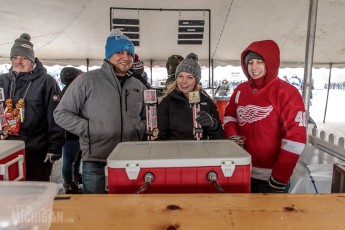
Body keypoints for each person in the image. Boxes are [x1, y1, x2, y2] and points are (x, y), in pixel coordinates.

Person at [54, 29, 147, 194]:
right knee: (96, 211)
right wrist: (89, 129)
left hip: (130, 160)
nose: (125, 57)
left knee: (129, 208)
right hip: (96, 160)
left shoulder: (138, 86)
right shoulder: (86, 81)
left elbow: (148, 117)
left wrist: (139, 128)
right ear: (108, 55)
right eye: (119, 52)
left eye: (129, 53)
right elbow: (61, 113)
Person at [223, 40, 307, 193]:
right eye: (250, 62)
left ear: (271, 63)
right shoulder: (240, 90)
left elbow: (295, 139)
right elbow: (229, 116)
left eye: (260, 62)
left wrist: (279, 178)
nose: (254, 68)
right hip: (241, 169)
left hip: (270, 177)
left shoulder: (287, 93)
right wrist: (232, 135)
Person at [0, 33, 64, 181]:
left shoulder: (46, 82)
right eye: (15, 57)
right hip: (5, 149)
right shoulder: (2, 81)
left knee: (35, 193)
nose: (19, 62)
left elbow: (55, 116)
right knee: (7, 195)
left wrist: (55, 146)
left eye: (24, 58)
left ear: (32, 60)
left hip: (36, 150)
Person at [157, 53, 225, 140]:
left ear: (196, 80)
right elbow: (160, 136)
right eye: (180, 76)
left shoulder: (207, 102)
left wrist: (213, 124)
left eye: (189, 77)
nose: (184, 81)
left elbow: (220, 139)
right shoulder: (167, 102)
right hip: (174, 152)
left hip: (200, 151)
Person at [59, 67, 83, 194]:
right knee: (69, 160)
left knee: (76, 157)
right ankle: (68, 183)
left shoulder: (71, 89)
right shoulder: (70, 91)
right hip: (70, 133)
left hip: (75, 132)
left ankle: (74, 177)